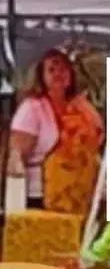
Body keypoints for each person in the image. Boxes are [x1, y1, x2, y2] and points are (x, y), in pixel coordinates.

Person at [7, 47, 104, 211]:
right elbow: (16, 155)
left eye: (64, 69)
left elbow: (98, 139)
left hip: (79, 193)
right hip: (38, 195)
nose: (58, 73)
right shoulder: (31, 108)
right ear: (41, 76)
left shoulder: (82, 107)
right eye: (51, 69)